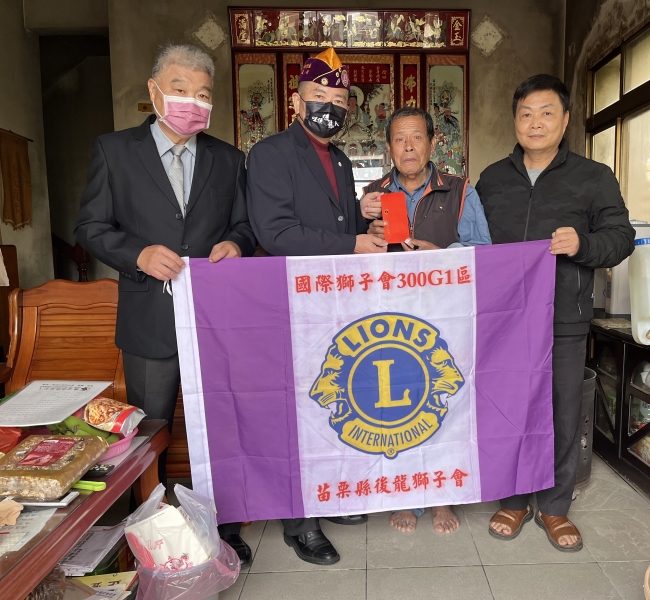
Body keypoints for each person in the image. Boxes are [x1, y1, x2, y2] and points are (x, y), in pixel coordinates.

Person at [75, 44, 257, 565]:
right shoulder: (114, 150)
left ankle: (224, 526)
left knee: (219, 428)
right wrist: (137, 254)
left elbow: (244, 224)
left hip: (213, 320)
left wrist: (236, 244)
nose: (192, 102)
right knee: (152, 429)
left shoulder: (228, 158)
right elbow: (89, 226)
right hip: (148, 318)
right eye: (180, 90)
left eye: (202, 94)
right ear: (155, 91)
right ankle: (152, 528)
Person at [476, 74, 634, 551]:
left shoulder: (593, 177)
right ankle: (513, 499)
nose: (535, 122)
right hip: (503, 320)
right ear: (515, 121)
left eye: (546, 113)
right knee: (508, 409)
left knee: (563, 411)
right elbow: (472, 243)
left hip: (563, 316)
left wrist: (582, 244)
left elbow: (621, 239)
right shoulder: (492, 179)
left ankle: (555, 506)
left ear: (565, 121)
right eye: (526, 114)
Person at [246, 48, 386, 566]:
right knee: (292, 411)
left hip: (330, 303)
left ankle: (326, 494)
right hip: (286, 303)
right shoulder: (270, 154)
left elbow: (337, 224)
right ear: (296, 101)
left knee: (328, 400)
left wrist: (362, 218)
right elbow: (276, 233)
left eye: (340, 100)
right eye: (319, 96)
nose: (331, 106)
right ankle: (299, 522)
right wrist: (353, 243)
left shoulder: (342, 160)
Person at [360, 107, 491, 533]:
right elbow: (347, 259)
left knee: (442, 402)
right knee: (395, 406)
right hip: (388, 318)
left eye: (417, 137)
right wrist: (366, 235)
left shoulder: (460, 190)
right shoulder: (373, 195)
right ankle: (405, 495)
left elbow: (483, 250)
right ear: (389, 147)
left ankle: (440, 498)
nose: (409, 147)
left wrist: (442, 254)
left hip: (444, 315)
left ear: (433, 143)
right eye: (400, 139)